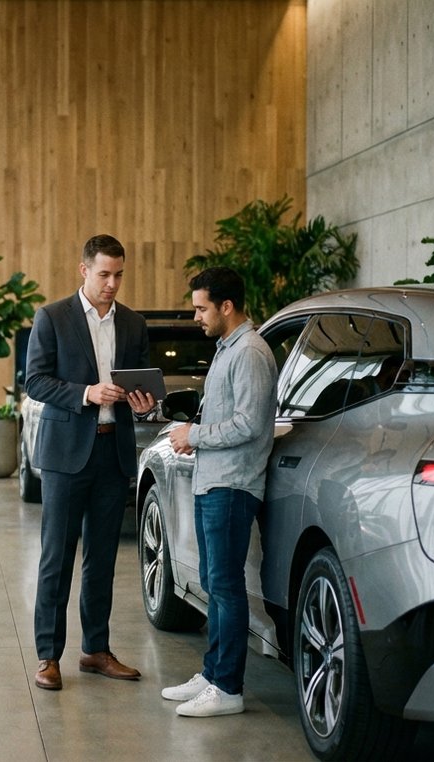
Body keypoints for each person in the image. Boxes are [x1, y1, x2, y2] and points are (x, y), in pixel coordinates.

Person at [25, 234, 157, 691]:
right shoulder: (52, 317)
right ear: (84, 270)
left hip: (113, 451)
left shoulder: (134, 324)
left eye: (119, 275)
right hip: (66, 455)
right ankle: (48, 656)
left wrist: (143, 405)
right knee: (56, 557)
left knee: (102, 560)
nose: (112, 284)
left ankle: (95, 650)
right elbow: (35, 381)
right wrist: (86, 393)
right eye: (104, 274)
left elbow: (143, 386)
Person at [162, 266, 278, 717]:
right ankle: (212, 673)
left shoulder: (249, 352)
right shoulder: (228, 349)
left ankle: (228, 687)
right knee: (213, 583)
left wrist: (195, 435)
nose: (196, 317)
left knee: (226, 586)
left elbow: (249, 423)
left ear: (226, 306)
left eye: (201, 308)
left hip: (232, 485)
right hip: (213, 481)